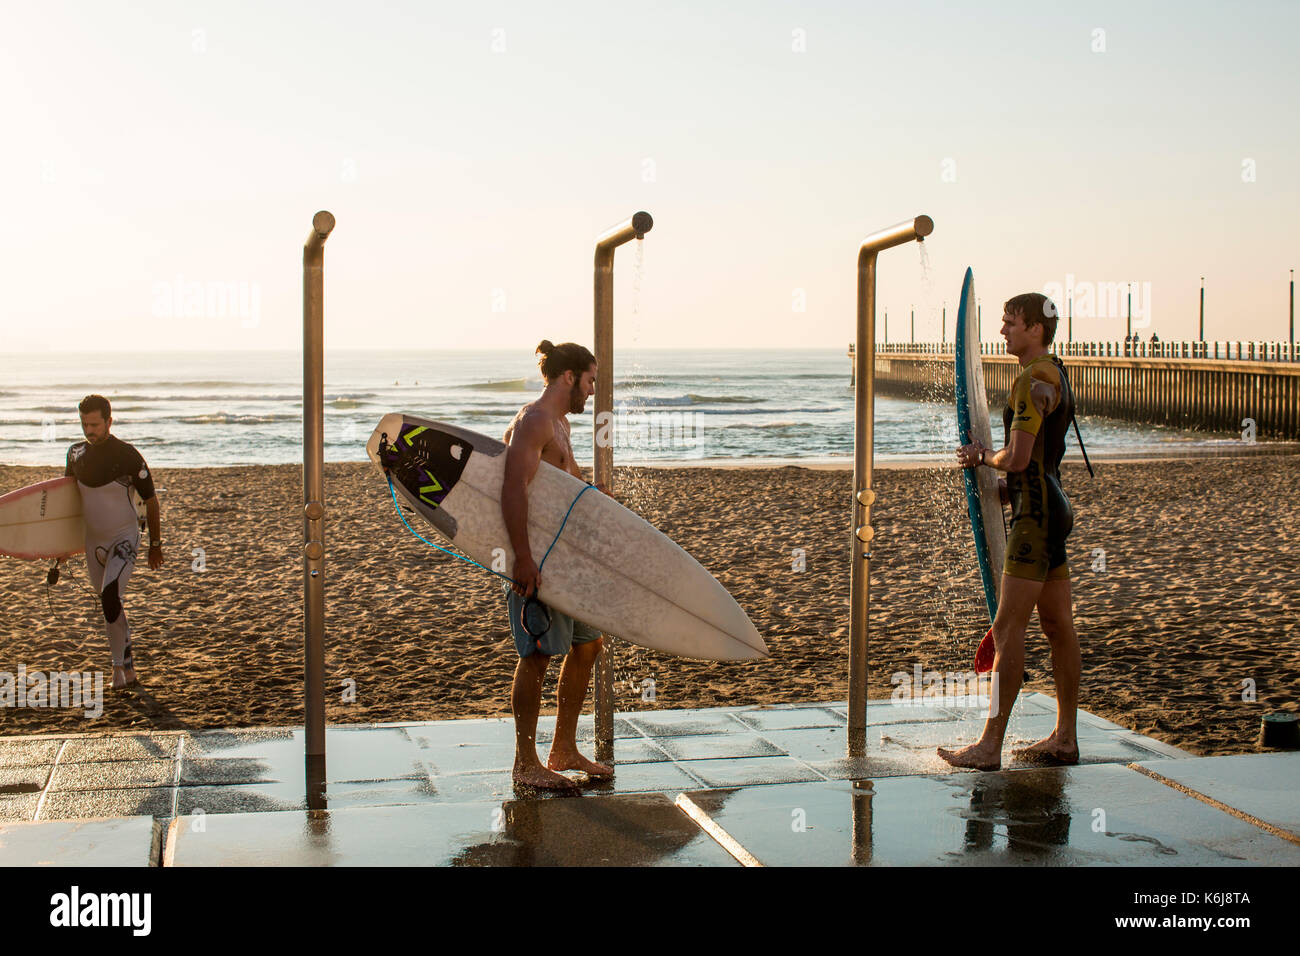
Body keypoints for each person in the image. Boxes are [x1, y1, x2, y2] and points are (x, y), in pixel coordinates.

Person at [940, 294, 1081, 771]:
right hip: (1052, 508)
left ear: (1035, 329)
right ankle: (1065, 738)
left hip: (1034, 521)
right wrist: (1010, 486)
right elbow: (1036, 460)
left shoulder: (1030, 380)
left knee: (1006, 629)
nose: (1002, 331)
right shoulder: (1057, 372)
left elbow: (1019, 458)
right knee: (1059, 626)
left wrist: (983, 458)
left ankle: (988, 747)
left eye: (1010, 322)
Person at [500, 340, 613, 790]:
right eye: (589, 381)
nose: (591, 391)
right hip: (539, 560)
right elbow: (512, 489)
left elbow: (567, 492)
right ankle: (525, 762)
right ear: (569, 377)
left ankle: (563, 747)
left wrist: (596, 496)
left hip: (566, 563)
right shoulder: (535, 422)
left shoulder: (560, 425)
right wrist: (523, 559)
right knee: (539, 655)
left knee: (589, 646)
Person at [64, 395, 163, 689]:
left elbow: (152, 501)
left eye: (94, 424)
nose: (88, 430)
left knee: (110, 599)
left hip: (124, 539)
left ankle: (118, 669)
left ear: (109, 421)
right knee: (111, 605)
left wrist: (155, 545)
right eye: (84, 424)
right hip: (92, 542)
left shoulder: (128, 455)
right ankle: (128, 668)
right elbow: (67, 503)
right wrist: (61, 548)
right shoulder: (75, 454)